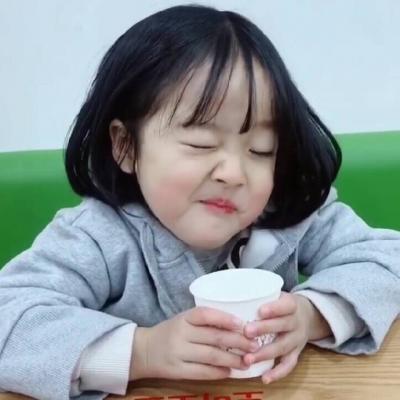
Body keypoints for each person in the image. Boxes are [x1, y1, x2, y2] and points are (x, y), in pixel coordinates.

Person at [0, 4, 399, 400]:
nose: (234, 173)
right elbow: (10, 316)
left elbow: (387, 260)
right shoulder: (98, 237)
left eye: (261, 149)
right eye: (201, 143)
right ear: (125, 146)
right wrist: (144, 351)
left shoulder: (286, 215)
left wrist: (312, 316)